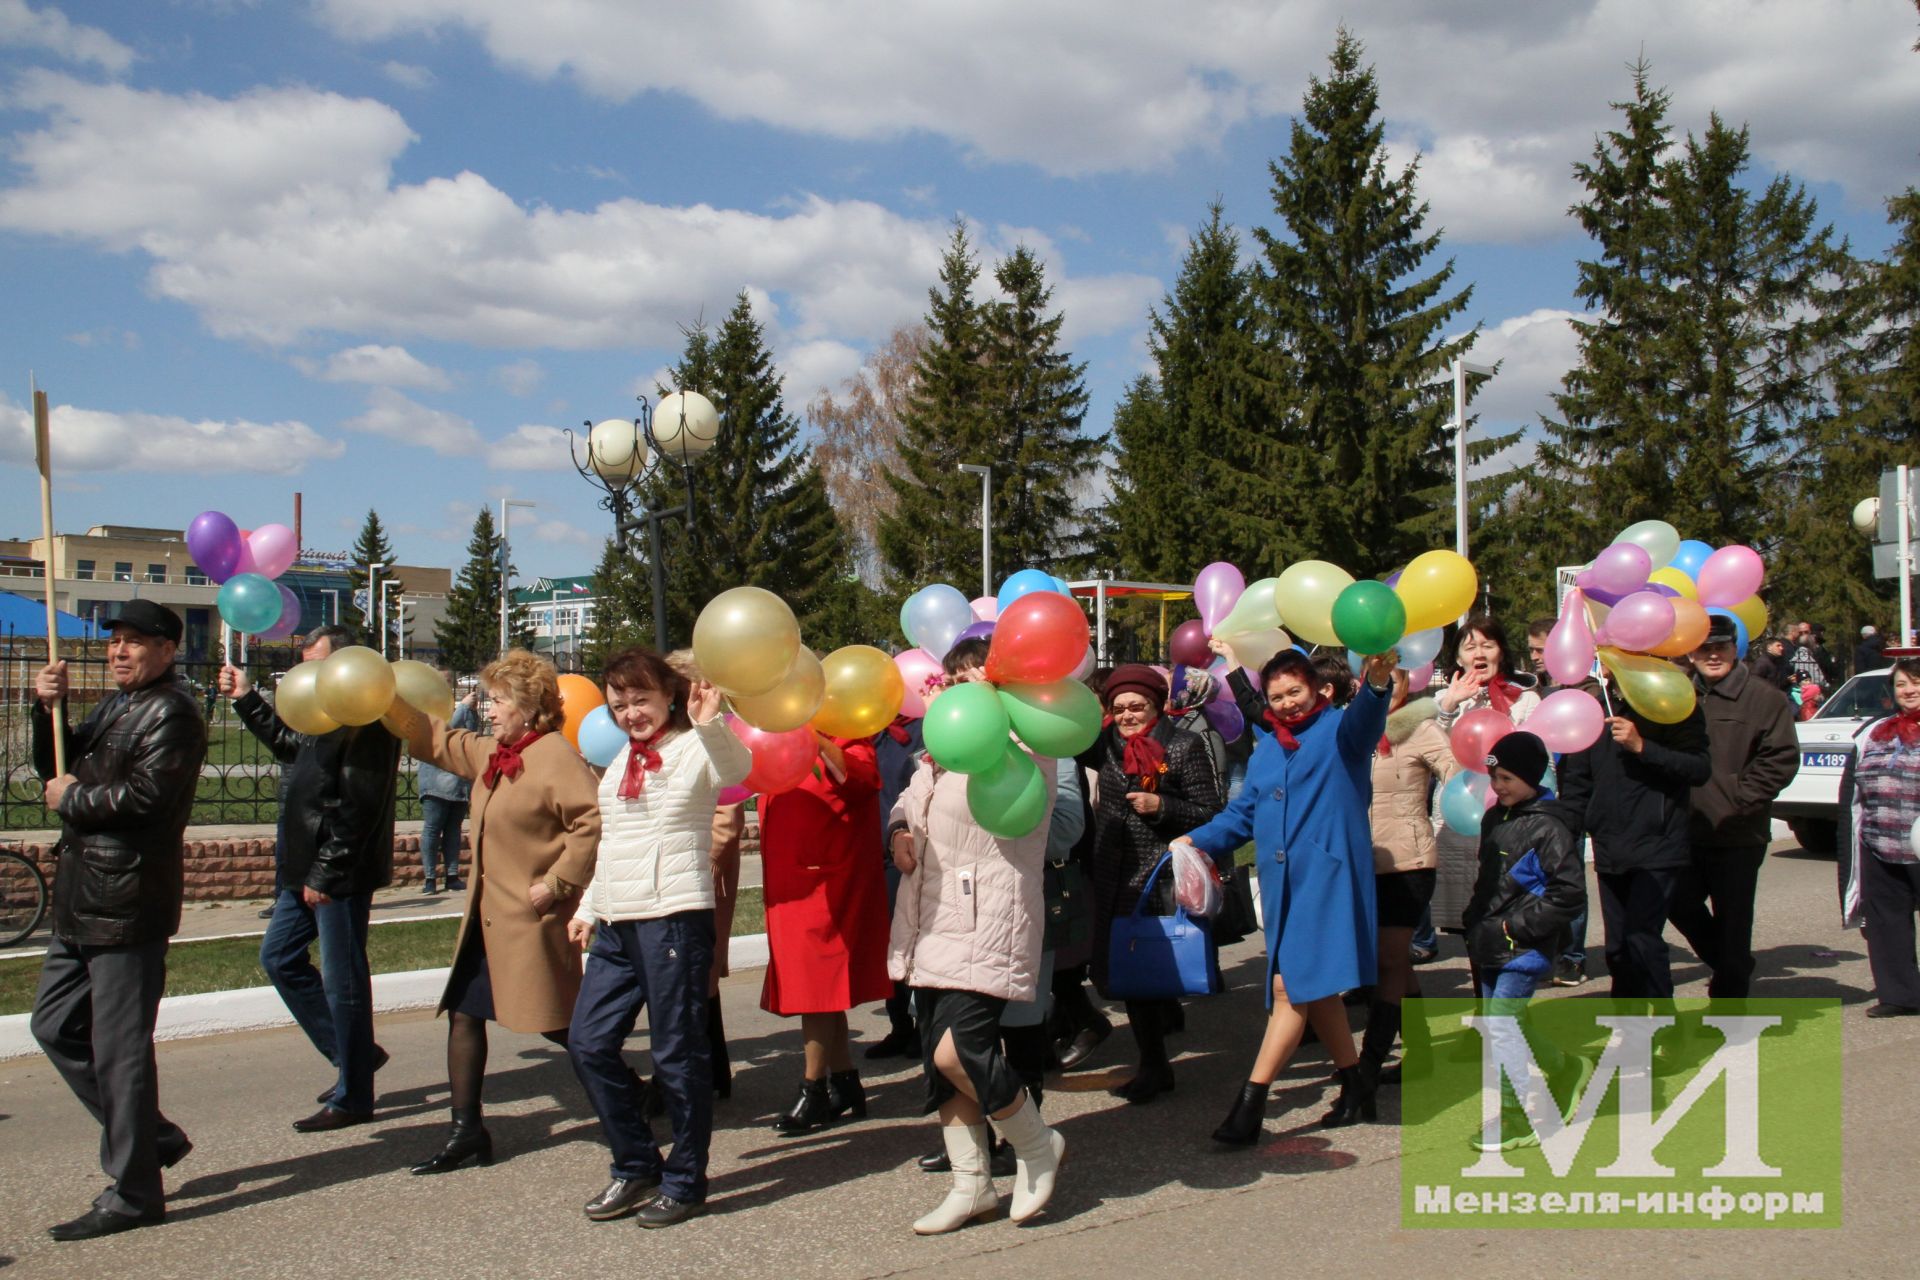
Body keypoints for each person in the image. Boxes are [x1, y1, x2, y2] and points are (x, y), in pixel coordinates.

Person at [29, 600, 206, 1241]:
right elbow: (58, 766)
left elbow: (148, 800)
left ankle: (134, 1193)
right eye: (114, 641)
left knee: (121, 1053)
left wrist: (72, 798)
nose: (119, 651)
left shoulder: (173, 712)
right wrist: (41, 707)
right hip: (82, 899)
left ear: (166, 650)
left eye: (134, 641)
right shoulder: (117, 706)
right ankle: (150, 1136)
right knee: (52, 1026)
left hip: (128, 903)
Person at [386, 650, 601, 1174]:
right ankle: (467, 1131)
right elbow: (437, 739)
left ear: (529, 706)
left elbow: (592, 824)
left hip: (528, 920)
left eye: (499, 700)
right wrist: (384, 701)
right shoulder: (493, 752)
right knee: (465, 1012)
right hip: (485, 918)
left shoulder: (556, 757)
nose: (489, 710)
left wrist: (557, 883)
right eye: (488, 699)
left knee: (558, 1022)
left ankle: (630, 1094)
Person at [1176, 648, 1394, 1147]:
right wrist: (1197, 839)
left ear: (1320, 690)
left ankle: (1250, 1105)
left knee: (1287, 990)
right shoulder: (1270, 745)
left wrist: (1377, 682)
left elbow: (1366, 717)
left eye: (1295, 691)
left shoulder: (1342, 731)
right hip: (1283, 887)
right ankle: (1358, 1086)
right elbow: (1244, 813)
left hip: (1327, 880)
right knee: (1314, 990)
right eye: (1277, 697)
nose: (1288, 703)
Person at [565, 647, 751, 1228]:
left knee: (677, 1054)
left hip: (673, 915)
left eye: (639, 699)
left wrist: (708, 722)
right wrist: (590, 906)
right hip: (619, 922)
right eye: (619, 703)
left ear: (667, 694)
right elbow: (614, 841)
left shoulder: (697, 744)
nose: (630, 712)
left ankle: (686, 1179)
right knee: (588, 1042)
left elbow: (737, 770)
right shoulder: (624, 758)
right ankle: (636, 1162)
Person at [888, 683, 1064, 1234]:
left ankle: (1037, 1144)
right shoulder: (937, 754)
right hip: (928, 920)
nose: (961, 692)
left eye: (975, 679)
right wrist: (897, 830)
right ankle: (971, 1185)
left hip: (986, 917)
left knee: (957, 1053)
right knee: (936, 1064)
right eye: (953, 681)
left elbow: (1027, 813)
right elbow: (908, 799)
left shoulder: (1022, 745)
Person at [222, 624, 400, 1130]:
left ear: (345, 665)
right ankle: (355, 1055)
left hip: (335, 872)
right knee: (278, 957)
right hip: (302, 869)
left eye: (316, 663)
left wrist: (325, 871)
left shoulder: (368, 716)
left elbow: (358, 808)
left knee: (345, 981)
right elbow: (289, 746)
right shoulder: (323, 711)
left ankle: (354, 1096)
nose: (306, 674)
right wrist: (246, 699)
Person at [1079, 661, 1224, 1104]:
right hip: (1112, 874)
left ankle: (1155, 1067)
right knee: (1130, 973)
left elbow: (1211, 810)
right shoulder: (1105, 744)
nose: (1127, 715)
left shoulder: (1183, 746)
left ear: (1156, 706)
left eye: (1136, 706)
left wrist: (1161, 805)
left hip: (1157, 876)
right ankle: (1155, 1056)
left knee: (1143, 973)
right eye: (1118, 708)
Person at [759, 720, 891, 1134]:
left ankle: (813, 1089)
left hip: (824, 882)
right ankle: (846, 1081)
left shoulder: (844, 730)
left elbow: (864, 778)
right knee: (820, 986)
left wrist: (811, 737)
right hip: (790, 879)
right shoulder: (770, 733)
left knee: (815, 986)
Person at [1461, 731, 1587, 1152]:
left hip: (1522, 944)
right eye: (1494, 777)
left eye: (1508, 779)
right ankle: (1565, 1068)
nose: (1498, 787)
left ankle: (1519, 1118)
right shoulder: (1496, 817)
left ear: (1532, 778)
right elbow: (1489, 882)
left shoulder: (1549, 827)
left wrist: (1517, 928)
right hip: (1490, 939)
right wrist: (1475, 921)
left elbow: (1567, 893)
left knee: (1501, 1024)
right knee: (1512, 1021)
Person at [1555, 665, 1711, 1001]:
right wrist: (1561, 835)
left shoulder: (1673, 705)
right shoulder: (1595, 710)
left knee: (1643, 939)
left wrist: (1643, 746)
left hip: (1659, 842)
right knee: (1618, 948)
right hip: (1610, 844)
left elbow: (1698, 768)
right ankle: (1627, 1029)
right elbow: (1578, 784)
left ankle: (1663, 1029)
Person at [1669, 616, 1799, 999]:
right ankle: (1733, 963)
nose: (1712, 655)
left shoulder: (1765, 698)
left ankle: (1728, 1004)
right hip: (1684, 828)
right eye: (1703, 648)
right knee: (1676, 902)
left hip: (1738, 831)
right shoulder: (1676, 696)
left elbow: (1781, 759)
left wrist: (1740, 800)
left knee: (1733, 922)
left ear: (1734, 649)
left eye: (1720, 647)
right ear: (1691, 652)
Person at [1362, 664, 1457, 1082]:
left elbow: (1460, 776)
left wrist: (1438, 822)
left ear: (1409, 683)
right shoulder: (1357, 727)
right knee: (1397, 963)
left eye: (1394, 677)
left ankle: (1368, 1062)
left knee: (1390, 960)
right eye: (1374, 676)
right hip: (1364, 859)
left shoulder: (1422, 728)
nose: (1385, 684)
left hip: (1409, 861)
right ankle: (1420, 1053)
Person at [1432, 616, 1543, 939]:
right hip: (1457, 821)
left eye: (1487, 645)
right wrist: (1451, 706)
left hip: (1511, 819)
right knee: (1467, 922)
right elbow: (1429, 754)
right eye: (1470, 647)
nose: (1478, 653)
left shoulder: (1524, 700)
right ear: (1457, 658)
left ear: (1501, 652)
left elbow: (1540, 760)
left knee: (1509, 918)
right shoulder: (1443, 702)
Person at [1838, 657, 1920, 1016]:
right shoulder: (1873, 731)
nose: (1909, 690)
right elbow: (1851, 791)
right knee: (1886, 922)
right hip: (1879, 841)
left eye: (1916, 682)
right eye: (1901, 684)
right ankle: (1900, 995)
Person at [869, 710, 928, 1061]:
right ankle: (900, 1025)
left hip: (906, 854)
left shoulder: (919, 730)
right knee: (887, 947)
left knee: (913, 944)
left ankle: (923, 1026)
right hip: (867, 855)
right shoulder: (861, 734)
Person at [417, 679, 478, 893]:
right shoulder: (429, 710)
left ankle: (452, 875)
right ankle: (430, 878)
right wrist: (463, 707)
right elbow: (444, 730)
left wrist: (470, 710)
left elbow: (470, 736)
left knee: (453, 830)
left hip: (458, 782)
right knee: (433, 829)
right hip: (435, 782)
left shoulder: (461, 708)